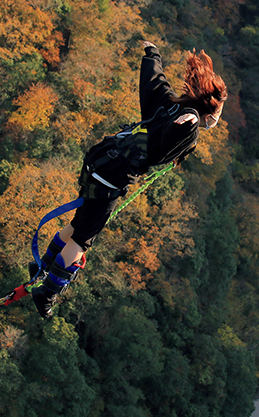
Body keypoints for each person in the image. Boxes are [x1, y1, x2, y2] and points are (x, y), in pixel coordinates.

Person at [31, 41, 228, 318]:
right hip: (110, 178)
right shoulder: (188, 120)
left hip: (99, 160)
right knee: (83, 239)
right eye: (217, 115)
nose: (216, 120)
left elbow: (154, 83)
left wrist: (153, 55)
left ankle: (42, 267)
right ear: (208, 110)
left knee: (79, 223)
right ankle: (48, 292)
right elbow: (175, 135)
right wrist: (189, 126)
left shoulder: (169, 105)